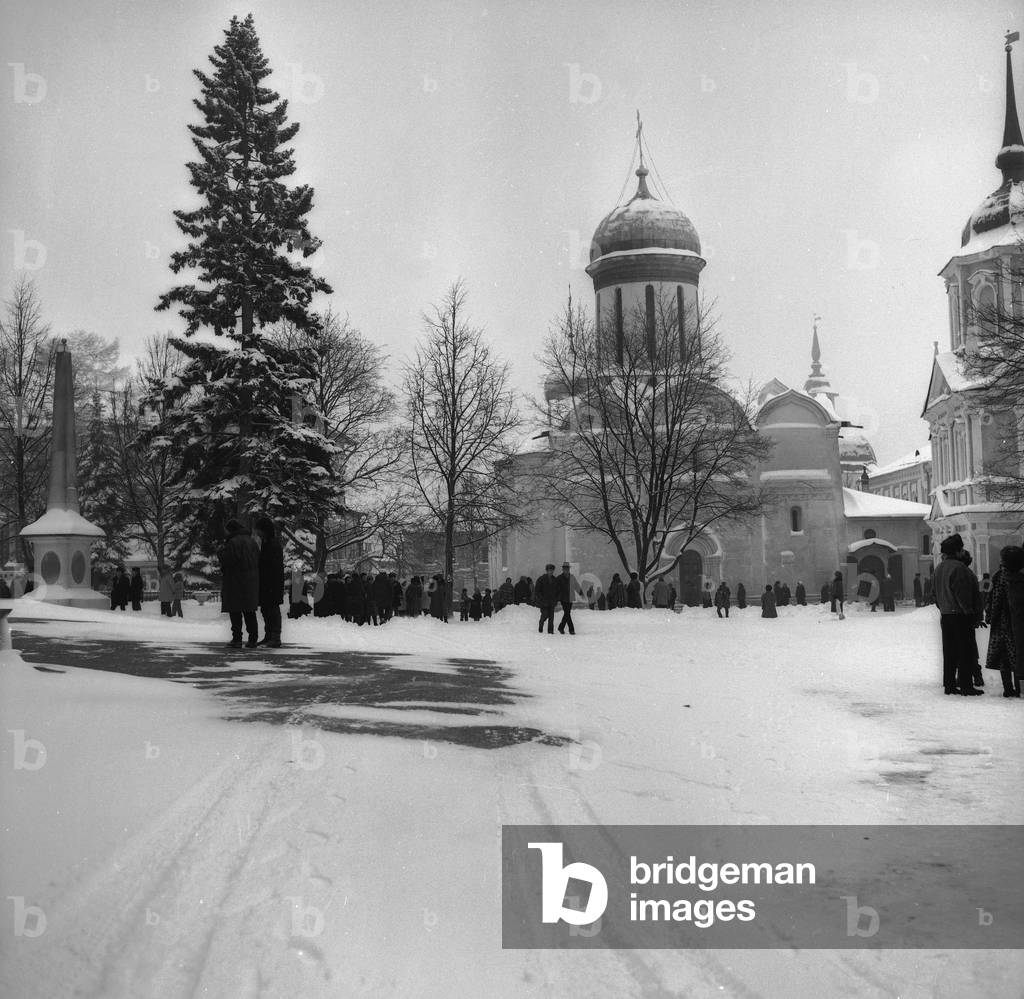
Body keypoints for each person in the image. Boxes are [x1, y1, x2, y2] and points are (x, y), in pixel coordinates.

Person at [931, 534, 982, 695]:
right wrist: (969, 613)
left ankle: (949, 685)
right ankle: (966, 686)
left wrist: (943, 608)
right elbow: (962, 594)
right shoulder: (959, 569)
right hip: (960, 615)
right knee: (965, 651)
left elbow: (935, 594)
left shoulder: (939, 568)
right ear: (958, 551)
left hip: (946, 615)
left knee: (950, 651)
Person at [984, 546, 1023, 698]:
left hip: (1001, 623)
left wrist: (990, 616)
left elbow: (994, 599)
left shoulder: (999, 576)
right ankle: (1018, 687)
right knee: (1017, 654)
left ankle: (1008, 688)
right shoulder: (1019, 576)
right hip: (1016, 622)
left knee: (1004, 657)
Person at [219, 518, 260, 648]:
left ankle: (237, 639)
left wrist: (220, 552)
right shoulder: (252, 542)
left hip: (235, 581)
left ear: (231, 529)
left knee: (235, 611)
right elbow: (258, 559)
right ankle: (253, 639)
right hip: (251, 581)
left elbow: (229, 560)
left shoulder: (232, 543)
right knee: (249, 611)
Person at [254, 516, 284, 647]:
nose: (257, 532)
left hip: (272, 583)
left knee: (272, 610)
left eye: (259, 530)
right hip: (267, 583)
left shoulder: (273, 544)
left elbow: (273, 566)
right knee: (266, 610)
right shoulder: (267, 543)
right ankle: (269, 635)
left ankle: (275, 636)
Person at [556, 562, 582, 635]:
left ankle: (561, 627)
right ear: (563, 569)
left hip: (570, 598)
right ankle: (571, 629)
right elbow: (556, 587)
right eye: (565, 568)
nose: (566, 570)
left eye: (567, 568)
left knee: (567, 613)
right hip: (563, 598)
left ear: (569, 569)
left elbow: (576, 585)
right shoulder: (559, 578)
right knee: (567, 613)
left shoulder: (572, 577)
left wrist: (580, 592)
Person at [534, 563, 558, 634]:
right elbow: (537, 590)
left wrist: (556, 599)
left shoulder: (555, 579)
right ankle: (541, 624)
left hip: (552, 602)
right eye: (549, 570)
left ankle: (550, 631)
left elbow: (557, 590)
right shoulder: (541, 579)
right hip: (543, 602)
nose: (551, 572)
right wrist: (541, 599)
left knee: (551, 617)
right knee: (545, 615)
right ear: (547, 571)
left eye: (552, 570)